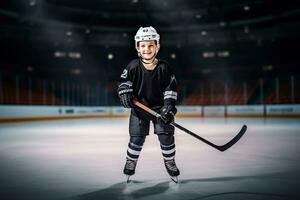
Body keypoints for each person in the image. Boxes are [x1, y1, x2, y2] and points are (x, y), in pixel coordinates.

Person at [117, 26, 180, 182]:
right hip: (139, 109)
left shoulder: (165, 68)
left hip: (161, 110)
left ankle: (169, 161)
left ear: (157, 46)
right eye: (143, 45)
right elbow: (124, 82)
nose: (147, 49)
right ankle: (131, 161)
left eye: (151, 45)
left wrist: (169, 109)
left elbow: (170, 90)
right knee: (136, 139)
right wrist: (124, 91)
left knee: (166, 137)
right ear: (137, 48)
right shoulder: (132, 66)